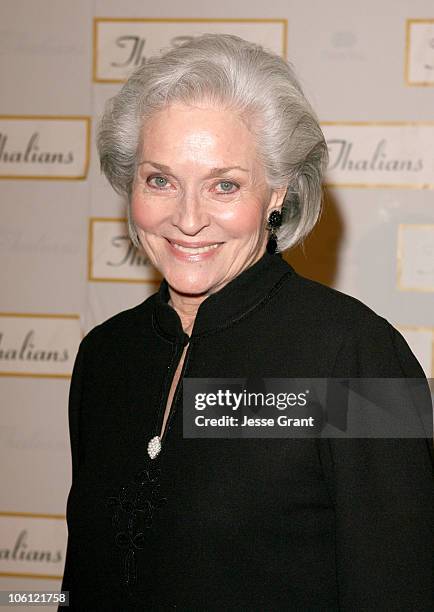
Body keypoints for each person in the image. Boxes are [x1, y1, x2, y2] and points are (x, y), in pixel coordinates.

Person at [60, 34, 433, 610]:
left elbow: (401, 589)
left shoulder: (358, 356)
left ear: (277, 192)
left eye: (224, 184)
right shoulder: (105, 356)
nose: (187, 219)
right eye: (160, 179)